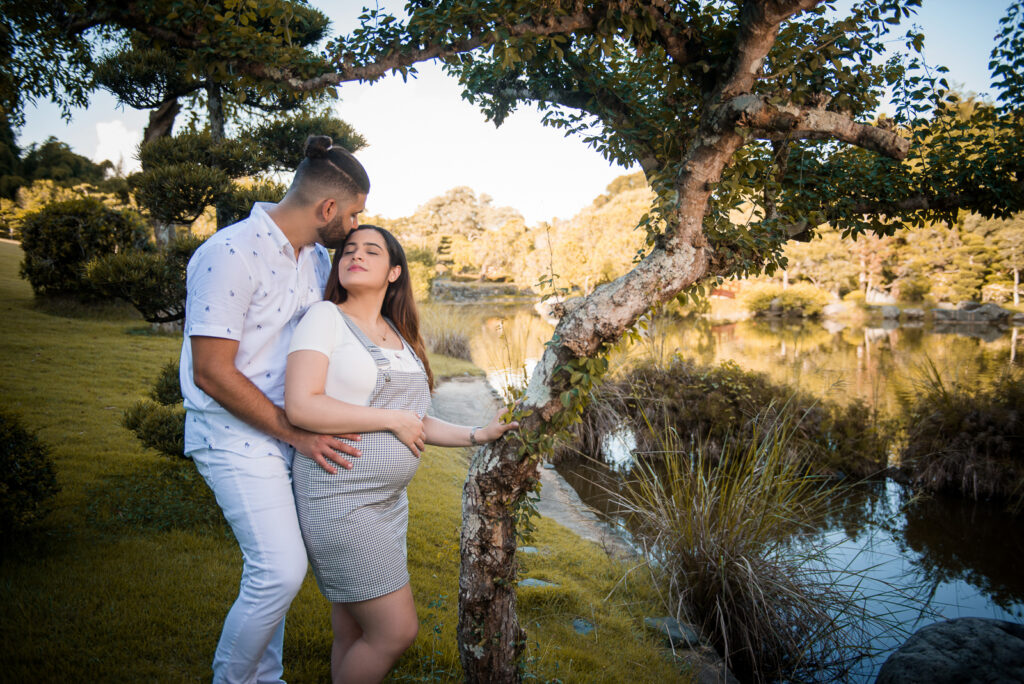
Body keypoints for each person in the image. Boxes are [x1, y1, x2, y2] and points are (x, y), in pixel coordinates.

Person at [284, 225, 517, 684]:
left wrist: (479, 433)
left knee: (352, 628)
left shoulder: (398, 333)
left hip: (389, 504)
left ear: (394, 272)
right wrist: (389, 419)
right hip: (339, 495)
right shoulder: (325, 318)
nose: (355, 255)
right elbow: (302, 404)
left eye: (371, 251)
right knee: (395, 631)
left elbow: (417, 421)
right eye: (349, 250)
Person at [180, 134, 370, 684]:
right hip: (232, 433)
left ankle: (265, 678)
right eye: (355, 215)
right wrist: (296, 434)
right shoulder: (228, 253)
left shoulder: (312, 259)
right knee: (280, 572)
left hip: (284, 432)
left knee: (274, 568)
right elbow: (212, 372)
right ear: (328, 208)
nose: (356, 227)